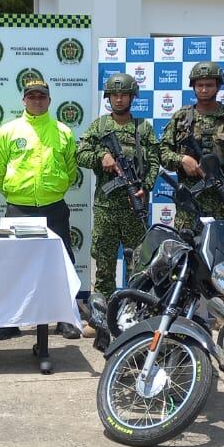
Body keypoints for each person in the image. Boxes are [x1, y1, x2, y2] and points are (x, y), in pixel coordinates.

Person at [0, 77, 81, 340]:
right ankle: (11, 320)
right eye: (32, 96)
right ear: (24, 100)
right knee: (15, 266)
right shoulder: (8, 131)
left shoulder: (63, 131)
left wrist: (54, 189)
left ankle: (64, 319)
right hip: (19, 208)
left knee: (62, 263)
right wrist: (15, 192)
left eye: (41, 96)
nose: (37, 100)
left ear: (49, 100)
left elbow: (71, 170)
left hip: (54, 207)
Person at [76, 72, 159, 298]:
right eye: (114, 95)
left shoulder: (142, 128)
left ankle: (134, 310)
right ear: (109, 98)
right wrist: (101, 156)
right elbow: (80, 154)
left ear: (132, 97)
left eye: (124, 95)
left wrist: (145, 187)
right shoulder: (100, 126)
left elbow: (154, 161)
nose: (119, 99)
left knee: (138, 268)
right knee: (104, 267)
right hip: (106, 209)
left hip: (135, 208)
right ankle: (102, 313)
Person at [160, 60, 224, 233]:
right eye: (200, 85)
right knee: (187, 248)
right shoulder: (181, 118)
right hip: (189, 204)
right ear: (193, 86)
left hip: (222, 202)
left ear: (218, 86)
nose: (204, 89)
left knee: (223, 247)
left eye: (209, 85)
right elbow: (163, 154)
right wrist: (182, 159)